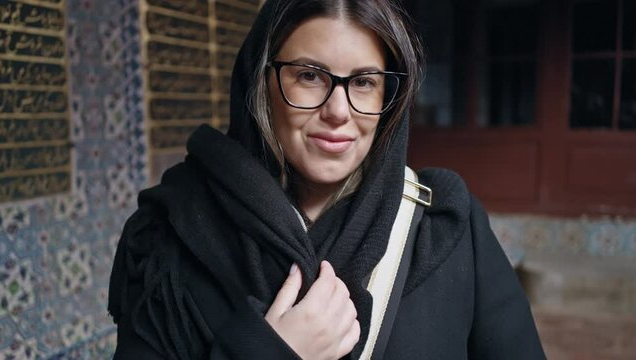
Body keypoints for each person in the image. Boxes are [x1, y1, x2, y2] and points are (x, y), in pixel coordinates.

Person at [108, 0, 546, 359]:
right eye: (309, 76)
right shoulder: (170, 236)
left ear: (389, 100)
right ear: (262, 85)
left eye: (364, 82)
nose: (338, 110)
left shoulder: (444, 226)